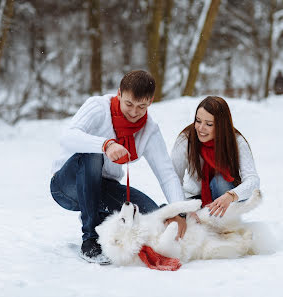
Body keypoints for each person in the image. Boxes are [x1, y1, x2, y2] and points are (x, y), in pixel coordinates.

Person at [50, 70, 187, 262]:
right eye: (129, 103)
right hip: (67, 185)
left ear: (151, 101)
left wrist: (179, 211)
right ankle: (90, 238)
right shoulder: (98, 107)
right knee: (93, 155)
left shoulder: (149, 131)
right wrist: (105, 145)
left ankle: (102, 217)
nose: (133, 112)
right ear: (119, 93)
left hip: (103, 188)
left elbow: (167, 174)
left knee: (151, 214)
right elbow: (67, 136)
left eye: (141, 106)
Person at [171, 96, 260, 218]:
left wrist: (231, 195)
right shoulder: (186, 140)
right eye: (198, 121)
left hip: (227, 198)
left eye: (209, 124)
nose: (201, 128)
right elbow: (173, 179)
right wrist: (183, 208)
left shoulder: (236, 141)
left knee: (220, 180)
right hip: (195, 199)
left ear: (221, 125)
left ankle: (222, 220)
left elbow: (253, 180)